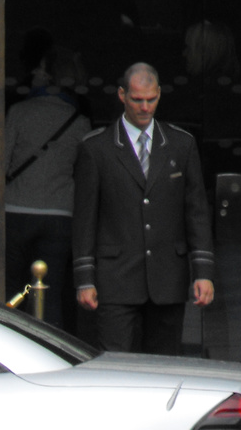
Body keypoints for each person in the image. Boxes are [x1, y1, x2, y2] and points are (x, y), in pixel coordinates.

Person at [72, 63, 214, 355]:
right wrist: (85, 278)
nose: (145, 107)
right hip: (115, 278)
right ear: (122, 95)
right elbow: (85, 219)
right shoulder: (96, 148)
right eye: (137, 99)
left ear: (159, 94)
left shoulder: (180, 144)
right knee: (116, 366)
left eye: (151, 99)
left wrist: (203, 272)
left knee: (164, 366)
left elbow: (196, 211)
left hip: (168, 276)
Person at [4, 45, 90, 333]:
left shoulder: (17, 112)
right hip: (59, 215)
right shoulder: (80, 123)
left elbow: (0, 166)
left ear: (47, 76)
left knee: (11, 292)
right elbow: (83, 175)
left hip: (15, 211)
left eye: (39, 69)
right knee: (48, 294)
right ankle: (49, 349)